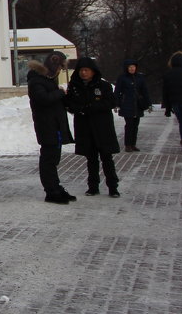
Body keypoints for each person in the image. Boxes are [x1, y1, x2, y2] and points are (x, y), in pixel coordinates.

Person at [26, 51, 77, 204]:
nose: (60, 71)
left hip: (54, 126)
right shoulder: (36, 81)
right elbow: (43, 99)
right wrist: (60, 93)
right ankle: (51, 191)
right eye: (60, 67)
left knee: (53, 159)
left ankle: (56, 187)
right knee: (48, 160)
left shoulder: (48, 80)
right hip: (46, 125)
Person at [66, 57, 121, 197]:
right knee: (91, 159)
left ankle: (113, 187)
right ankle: (93, 186)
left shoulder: (103, 86)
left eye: (86, 70)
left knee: (106, 158)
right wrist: (79, 109)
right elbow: (70, 104)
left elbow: (111, 102)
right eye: (81, 70)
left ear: (93, 71)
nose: (83, 73)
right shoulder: (74, 86)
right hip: (85, 127)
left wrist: (93, 107)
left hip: (102, 127)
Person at [113, 59, 150, 152]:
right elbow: (117, 91)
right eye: (130, 67)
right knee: (129, 125)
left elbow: (145, 91)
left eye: (133, 67)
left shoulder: (140, 77)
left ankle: (133, 144)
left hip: (138, 105)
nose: (132, 68)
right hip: (126, 104)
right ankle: (128, 144)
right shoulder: (122, 78)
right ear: (126, 68)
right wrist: (116, 104)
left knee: (135, 125)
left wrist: (148, 103)